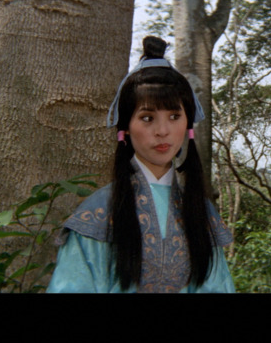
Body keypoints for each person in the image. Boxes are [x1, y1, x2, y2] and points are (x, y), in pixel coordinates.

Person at [47, 36, 235, 293]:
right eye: (147, 118)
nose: (162, 131)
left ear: (188, 125)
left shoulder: (201, 214)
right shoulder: (97, 214)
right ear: (125, 127)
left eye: (174, 116)